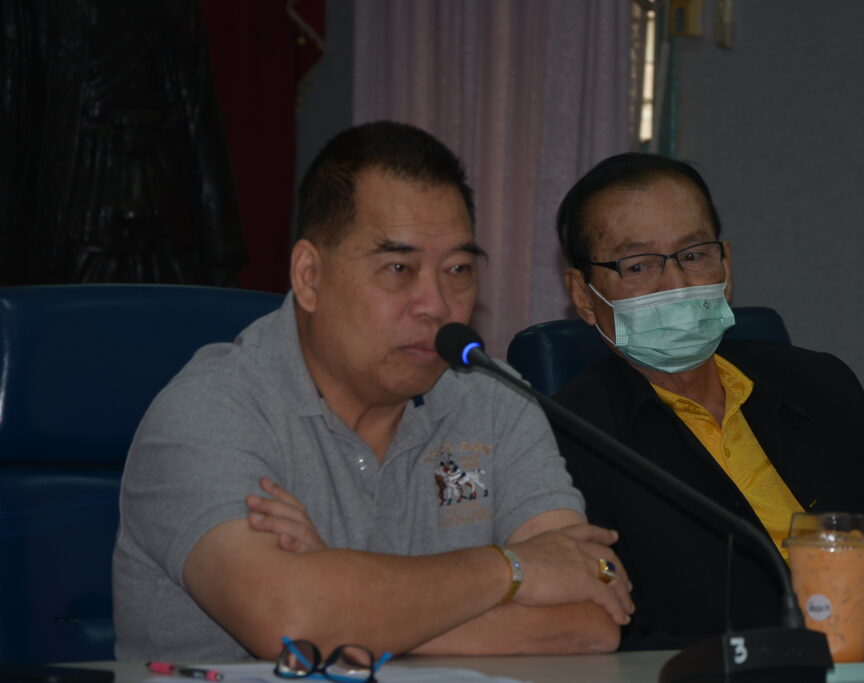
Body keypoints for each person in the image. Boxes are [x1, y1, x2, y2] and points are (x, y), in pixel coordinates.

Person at [113, 121, 633, 662]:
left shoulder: (496, 398)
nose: (437, 304)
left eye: (458, 268)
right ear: (309, 276)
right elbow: (292, 625)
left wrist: (341, 602)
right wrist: (513, 569)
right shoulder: (209, 411)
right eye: (399, 268)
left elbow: (595, 617)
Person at [551, 152, 864, 651]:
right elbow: (611, 633)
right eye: (638, 265)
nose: (676, 285)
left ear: (725, 267)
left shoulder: (820, 385)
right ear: (582, 294)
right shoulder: (568, 442)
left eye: (694, 255)